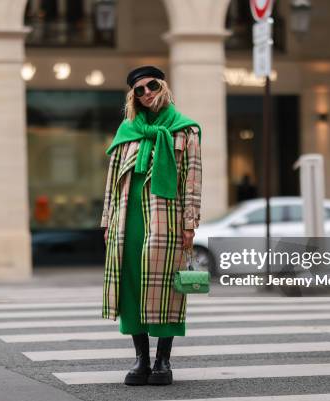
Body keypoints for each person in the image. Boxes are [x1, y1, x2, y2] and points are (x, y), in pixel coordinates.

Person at [101, 66, 202, 386]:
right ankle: (141, 360)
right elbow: (112, 180)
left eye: (151, 85)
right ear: (134, 96)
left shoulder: (185, 131)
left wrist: (189, 223)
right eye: (139, 90)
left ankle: (163, 361)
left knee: (166, 291)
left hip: (166, 221)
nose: (146, 93)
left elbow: (192, 181)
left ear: (164, 86)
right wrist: (107, 221)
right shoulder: (127, 130)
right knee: (131, 286)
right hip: (127, 220)